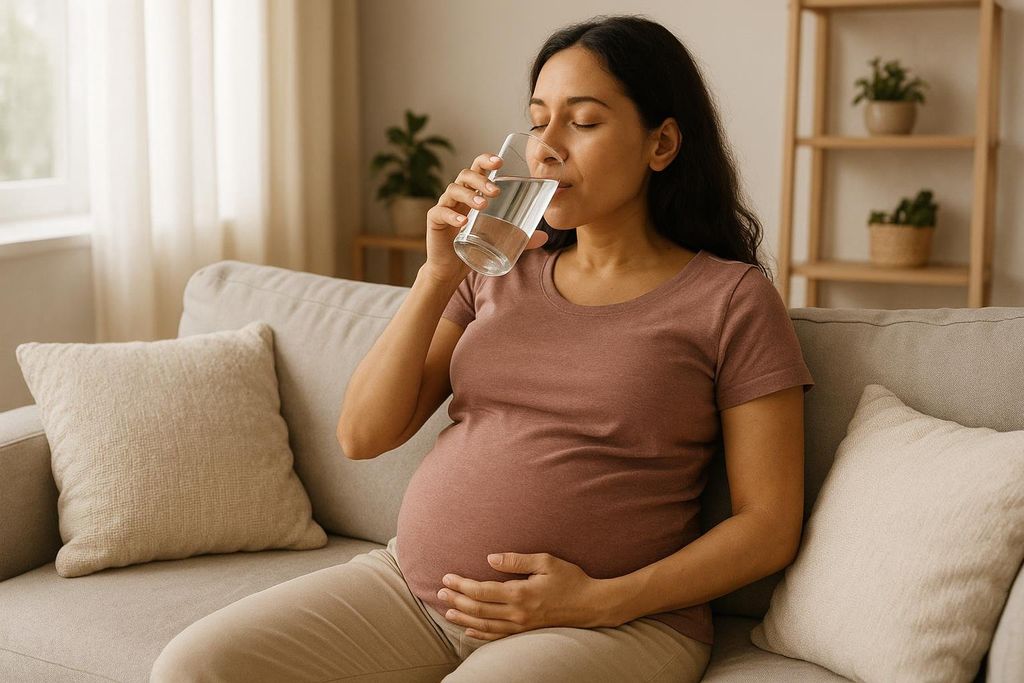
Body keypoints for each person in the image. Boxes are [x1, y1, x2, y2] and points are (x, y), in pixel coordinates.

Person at [150, 13, 814, 683]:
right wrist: (438, 272)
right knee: (194, 667)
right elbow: (362, 432)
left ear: (662, 143)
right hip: (416, 594)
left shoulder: (730, 300)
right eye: (537, 120)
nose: (546, 148)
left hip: (615, 623)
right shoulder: (496, 270)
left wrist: (599, 600)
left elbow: (768, 524)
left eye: (582, 123)